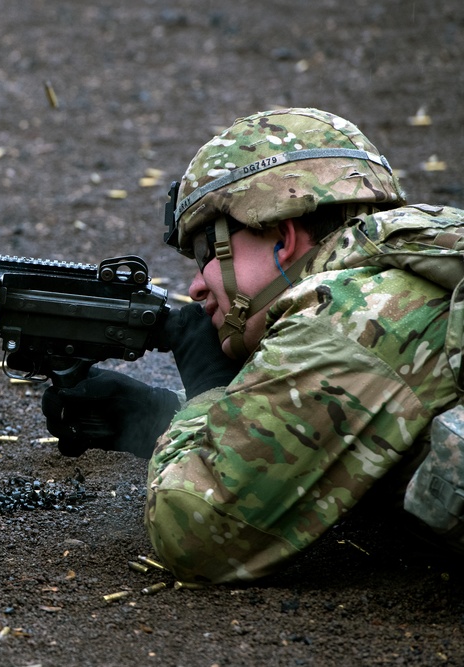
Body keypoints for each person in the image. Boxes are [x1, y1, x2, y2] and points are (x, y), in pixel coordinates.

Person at [42, 107, 464, 583]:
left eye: (204, 253)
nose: (197, 286)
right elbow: (323, 428)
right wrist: (161, 415)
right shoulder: (403, 279)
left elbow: (198, 532)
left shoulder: (351, 315)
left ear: (282, 238)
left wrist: (206, 387)